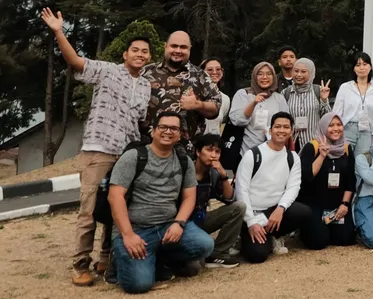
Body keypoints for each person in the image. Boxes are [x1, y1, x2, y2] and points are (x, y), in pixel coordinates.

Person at [40, 8, 152, 287]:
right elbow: (75, 61)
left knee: (117, 208)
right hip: (98, 148)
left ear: (149, 57)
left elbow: (140, 122)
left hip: (125, 154)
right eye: (135, 50)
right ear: (125, 54)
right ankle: (80, 263)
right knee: (89, 209)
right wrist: (58, 31)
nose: (139, 54)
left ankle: (105, 256)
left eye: (145, 51)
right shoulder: (106, 71)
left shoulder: (147, 86)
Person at [107, 111, 212, 294]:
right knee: (139, 285)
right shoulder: (133, 157)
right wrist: (128, 235)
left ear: (180, 134)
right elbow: (115, 197)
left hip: (168, 226)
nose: (168, 132)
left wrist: (179, 223)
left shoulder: (183, 161)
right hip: (136, 229)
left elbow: (189, 197)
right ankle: (119, 259)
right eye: (163, 127)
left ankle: (159, 258)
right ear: (153, 130)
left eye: (174, 128)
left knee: (205, 244)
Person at [235, 112, 324, 263]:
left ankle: (275, 236)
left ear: (291, 131)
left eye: (286, 127)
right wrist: (251, 221)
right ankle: (242, 235)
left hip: (275, 211)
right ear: (270, 130)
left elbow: (293, 186)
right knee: (257, 256)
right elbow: (241, 190)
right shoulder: (253, 155)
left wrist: (280, 209)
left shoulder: (292, 157)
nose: (281, 130)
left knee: (303, 212)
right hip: (253, 212)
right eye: (277, 127)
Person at [297, 113, 356, 248]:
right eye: (331, 125)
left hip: (337, 205)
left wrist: (345, 204)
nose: (336, 129)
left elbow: (350, 181)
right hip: (314, 203)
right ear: (323, 127)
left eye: (339, 124)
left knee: (345, 239)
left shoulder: (346, 149)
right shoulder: (312, 147)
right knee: (318, 242)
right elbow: (307, 177)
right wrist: (322, 156)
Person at [189, 133, 246, 269]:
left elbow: (230, 198)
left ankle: (218, 254)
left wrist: (224, 176)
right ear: (198, 152)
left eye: (217, 152)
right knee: (193, 267)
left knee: (239, 207)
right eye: (209, 150)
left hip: (201, 219)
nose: (213, 155)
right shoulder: (186, 169)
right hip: (183, 223)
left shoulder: (213, 174)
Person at [228, 62, 289, 152]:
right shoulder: (244, 94)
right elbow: (237, 121)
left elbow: (286, 123)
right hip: (247, 150)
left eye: (269, 74)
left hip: (273, 150)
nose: (265, 77)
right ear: (254, 76)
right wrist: (253, 104)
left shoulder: (279, 98)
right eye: (260, 74)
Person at [331, 52, 373, 151]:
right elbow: (336, 112)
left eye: (365, 64)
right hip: (347, 128)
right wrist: (335, 129)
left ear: (370, 67)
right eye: (358, 65)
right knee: (345, 161)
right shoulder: (345, 87)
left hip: (367, 131)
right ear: (354, 69)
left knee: (362, 162)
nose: (362, 68)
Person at [282, 57, 331, 148]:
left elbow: (327, 119)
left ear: (311, 73)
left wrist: (324, 100)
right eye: (296, 71)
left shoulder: (319, 90)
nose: (299, 74)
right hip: (291, 143)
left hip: (314, 143)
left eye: (303, 72)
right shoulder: (286, 93)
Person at [201, 58, 230, 135]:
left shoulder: (225, 99)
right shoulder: (194, 95)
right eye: (210, 69)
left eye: (218, 69)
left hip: (214, 145)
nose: (214, 72)